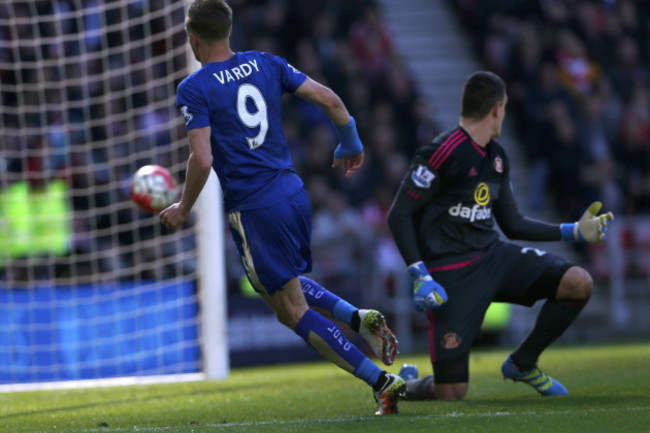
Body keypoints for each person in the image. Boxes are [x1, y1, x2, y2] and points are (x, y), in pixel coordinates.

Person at [159, 0, 405, 415]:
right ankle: (358, 317)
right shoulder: (265, 62)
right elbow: (327, 97)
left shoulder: (194, 88)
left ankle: (380, 381)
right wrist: (351, 142)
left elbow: (202, 159)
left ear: (193, 38)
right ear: (229, 28)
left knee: (291, 311)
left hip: (254, 207)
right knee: (281, 291)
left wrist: (183, 206)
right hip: (292, 192)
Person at [387, 71, 614, 401]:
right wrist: (419, 274)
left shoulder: (496, 158)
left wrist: (575, 231)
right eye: (504, 108)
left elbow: (513, 224)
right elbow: (398, 215)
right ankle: (403, 386)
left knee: (578, 282)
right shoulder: (441, 151)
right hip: (452, 274)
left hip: (493, 257)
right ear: (496, 109)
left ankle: (523, 363)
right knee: (452, 392)